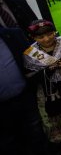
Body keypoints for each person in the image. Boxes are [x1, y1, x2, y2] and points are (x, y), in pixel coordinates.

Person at [24, 20, 61, 148]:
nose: (47, 39)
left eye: (50, 34)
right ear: (33, 37)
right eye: (41, 37)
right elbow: (30, 77)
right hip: (48, 89)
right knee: (58, 114)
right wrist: (48, 70)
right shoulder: (30, 52)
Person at [1, 26, 50, 155]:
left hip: (25, 97)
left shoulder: (13, 34)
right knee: (9, 142)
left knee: (35, 132)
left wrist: (57, 62)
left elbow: (33, 54)